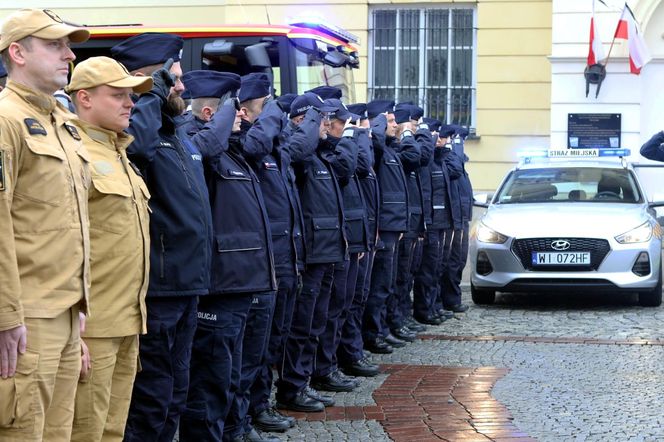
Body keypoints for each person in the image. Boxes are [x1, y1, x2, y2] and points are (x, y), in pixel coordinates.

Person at [111, 33, 214, 442]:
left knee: (176, 389)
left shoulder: (178, 135)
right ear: (146, 81)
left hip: (189, 284)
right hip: (159, 289)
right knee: (151, 395)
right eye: (172, 79)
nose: (182, 87)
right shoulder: (145, 132)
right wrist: (151, 92)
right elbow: (135, 149)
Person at [0, 8, 90, 441]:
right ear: (17, 52)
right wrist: (4, 316)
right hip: (27, 318)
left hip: (66, 311)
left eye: (68, 46)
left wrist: (81, 307)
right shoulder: (5, 120)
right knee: (23, 431)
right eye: (55, 45)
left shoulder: (63, 124)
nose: (69, 56)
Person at [65, 56, 153, 442]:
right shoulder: (74, 154)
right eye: (118, 95)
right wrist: (72, 332)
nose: (129, 103)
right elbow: (61, 245)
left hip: (128, 321)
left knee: (113, 431)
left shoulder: (119, 154)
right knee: (85, 432)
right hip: (93, 327)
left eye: (131, 96)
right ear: (84, 98)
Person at [275, 93, 352, 413]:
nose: (326, 125)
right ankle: (292, 388)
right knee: (301, 326)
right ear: (300, 122)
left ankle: (304, 380)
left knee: (315, 323)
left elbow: (349, 168)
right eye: (319, 120)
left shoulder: (321, 155)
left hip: (327, 251)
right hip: (310, 254)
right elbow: (297, 150)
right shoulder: (301, 154)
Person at [310, 98, 366, 393]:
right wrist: (350, 138)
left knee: (340, 306)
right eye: (343, 124)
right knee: (325, 312)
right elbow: (347, 167)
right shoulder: (322, 151)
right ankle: (322, 369)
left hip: (341, 239)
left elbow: (361, 165)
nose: (348, 129)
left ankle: (329, 364)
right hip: (326, 243)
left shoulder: (332, 149)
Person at [362, 100, 420, 354]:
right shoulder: (376, 148)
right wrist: (377, 124)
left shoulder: (390, 150)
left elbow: (416, 156)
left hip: (394, 225)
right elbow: (373, 141)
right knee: (378, 286)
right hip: (383, 226)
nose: (396, 126)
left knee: (387, 284)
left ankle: (383, 329)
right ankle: (374, 334)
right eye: (391, 121)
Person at [337, 103, 381, 378]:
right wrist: (357, 136)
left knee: (356, 298)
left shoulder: (349, 147)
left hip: (359, 234)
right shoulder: (344, 150)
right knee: (344, 304)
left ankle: (351, 352)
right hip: (345, 238)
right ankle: (347, 356)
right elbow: (363, 166)